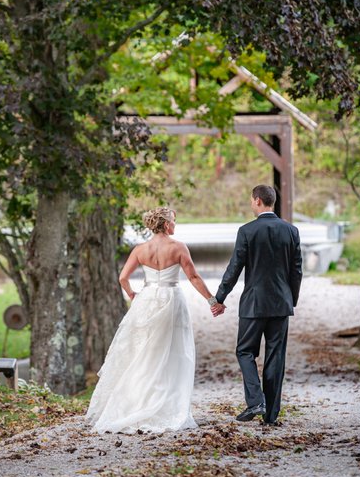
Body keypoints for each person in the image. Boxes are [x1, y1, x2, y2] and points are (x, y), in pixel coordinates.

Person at [86, 206, 221, 434]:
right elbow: (194, 276)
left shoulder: (141, 249)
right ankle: (167, 406)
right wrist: (212, 300)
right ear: (167, 224)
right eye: (174, 221)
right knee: (173, 353)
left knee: (143, 353)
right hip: (171, 299)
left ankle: (137, 405)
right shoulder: (178, 247)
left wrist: (132, 294)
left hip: (146, 300)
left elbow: (122, 277)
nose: (175, 225)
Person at [211, 185, 302, 426]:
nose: (252, 204)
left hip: (253, 304)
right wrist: (291, 299)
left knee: (244, 351)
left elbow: (234, 268)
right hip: (281, 305)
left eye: (252, 201)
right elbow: (297, 270)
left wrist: (219, 298)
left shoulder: (247, 231)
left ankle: (255, 401)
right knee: (276, 357)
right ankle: (270, 415)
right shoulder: (291, 231)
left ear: (258, 201)